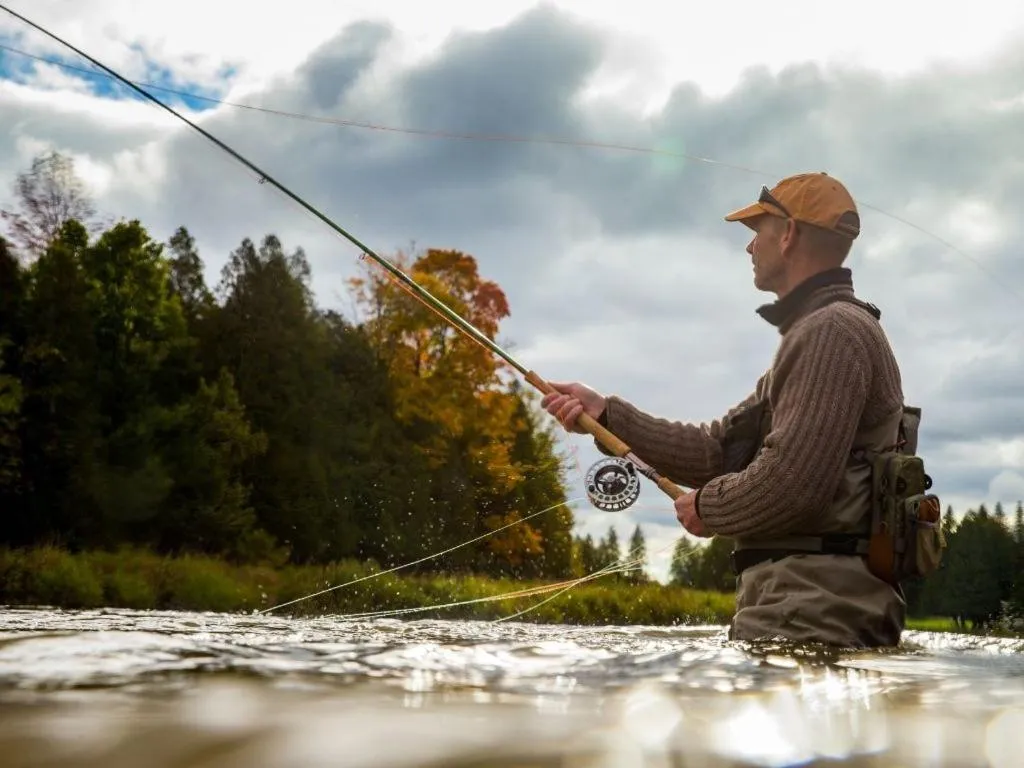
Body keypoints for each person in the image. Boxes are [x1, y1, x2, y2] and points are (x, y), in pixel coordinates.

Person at [541, 172, 908, 648]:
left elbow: (794, 485)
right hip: (802, 608)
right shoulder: (820, 332)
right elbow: (720, 451)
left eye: (758, 232)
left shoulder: (831, 332)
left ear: (788, 235)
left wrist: (707, 508)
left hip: (812, 615)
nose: (750, 247)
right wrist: (607, 414)